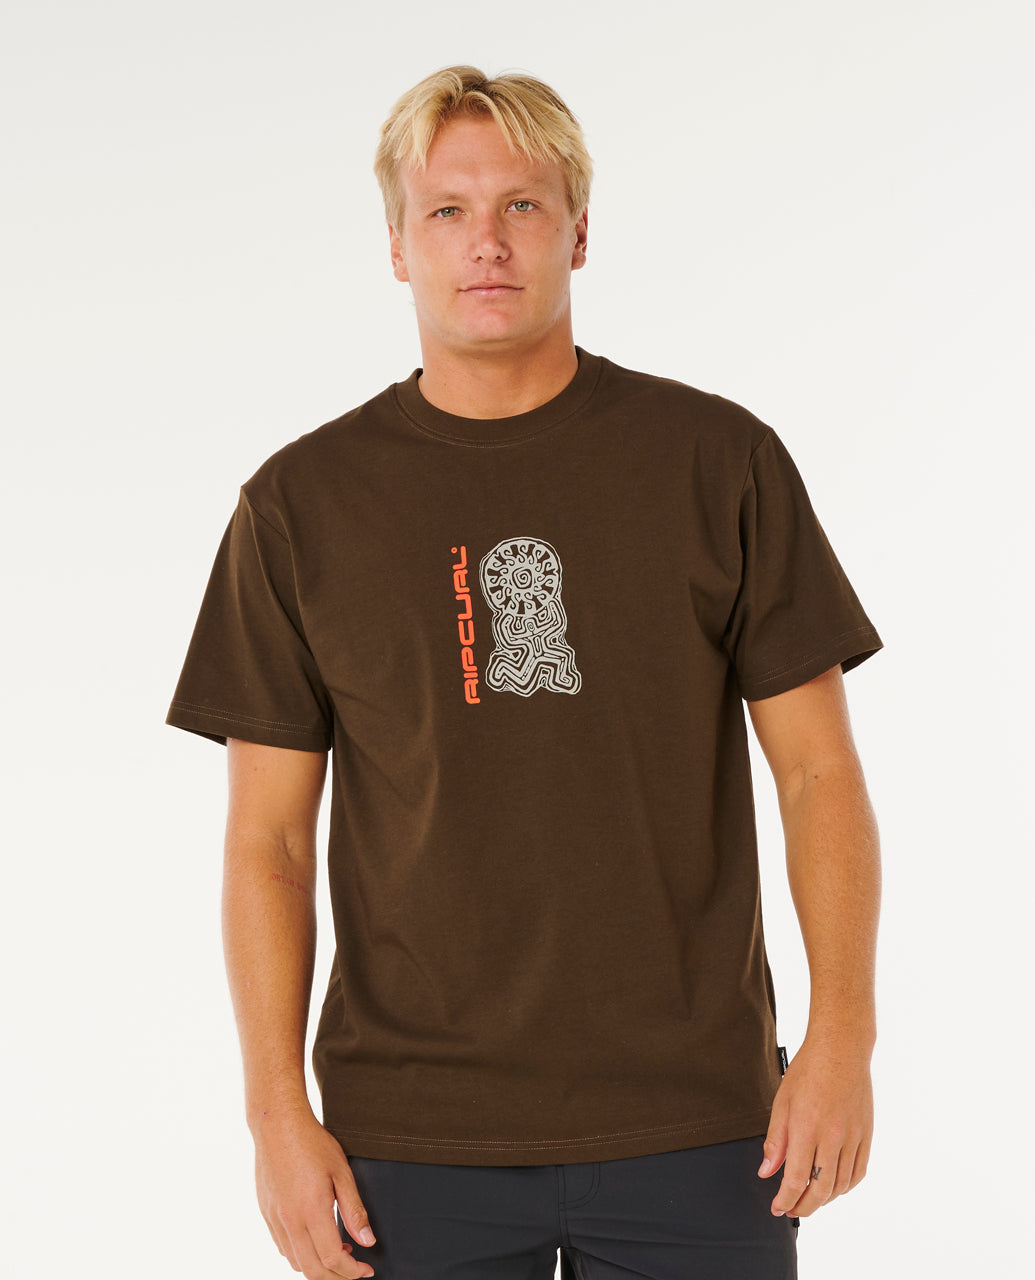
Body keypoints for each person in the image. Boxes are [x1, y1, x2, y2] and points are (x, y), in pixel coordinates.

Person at [167, 65, 882, 1280]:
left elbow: (819, 773)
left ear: (580, 232)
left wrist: (843, 1038)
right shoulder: (300, 506)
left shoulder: (719, 461)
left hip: (700, 1121)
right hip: (406, 1141)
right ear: (398, 245)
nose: (485, 242)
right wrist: (274, 1114)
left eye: (523, 205)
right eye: (446, 210)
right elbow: (267, 842)